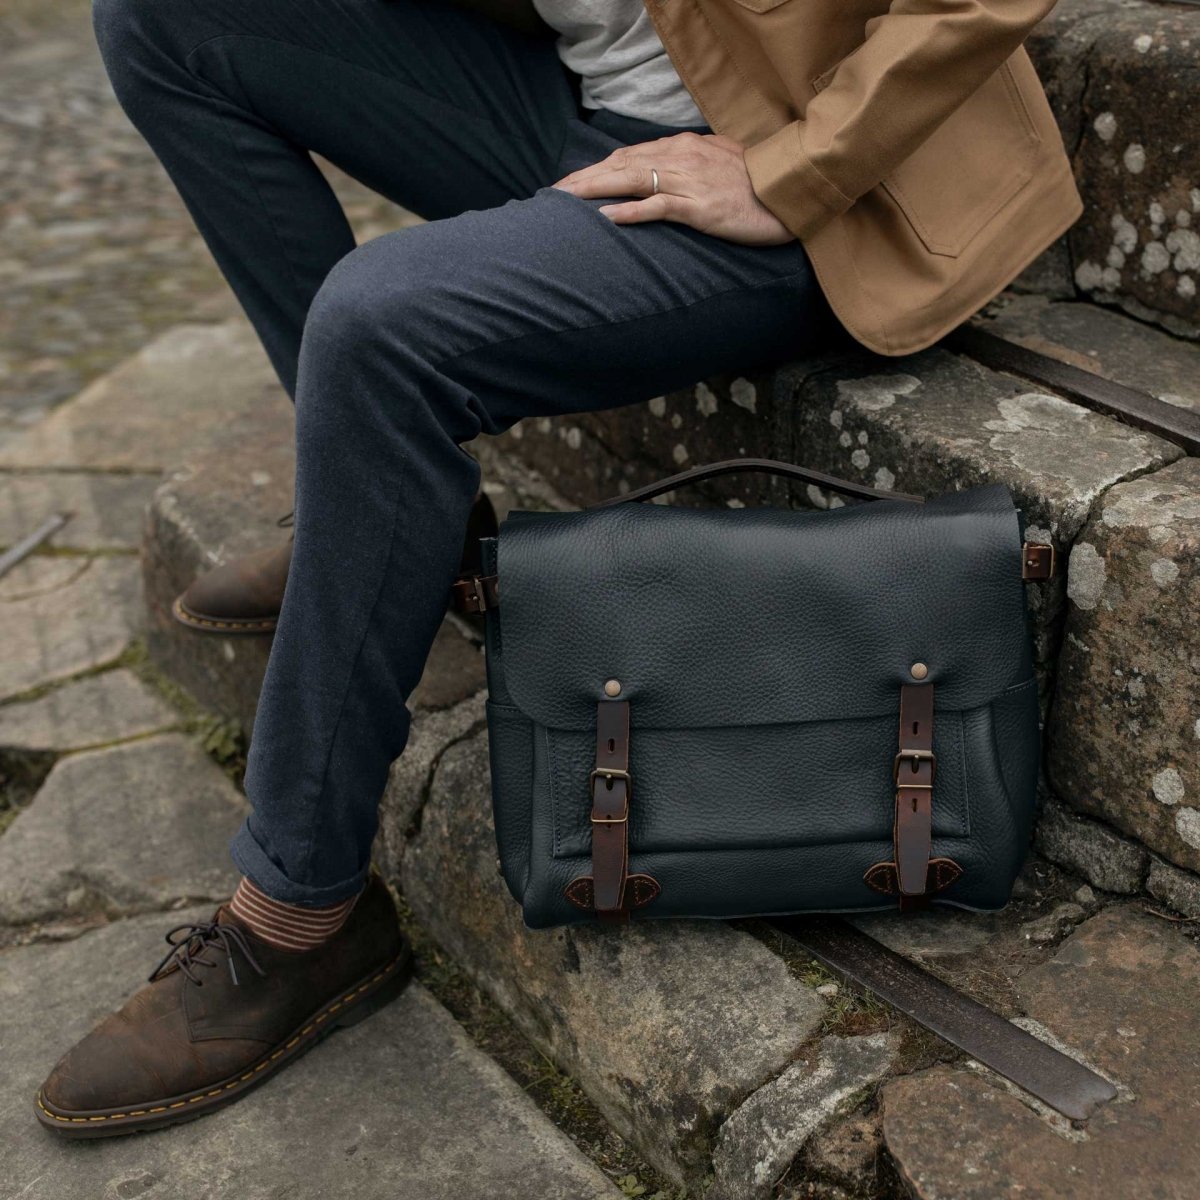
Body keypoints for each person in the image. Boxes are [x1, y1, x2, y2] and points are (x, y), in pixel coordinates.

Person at [35, 0, 1080, 1136]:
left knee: (376, 320)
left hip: (819, 180)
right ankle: (385, 518)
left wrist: (794, 172)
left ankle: (299, 911)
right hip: (581, 109)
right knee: (161, 17)